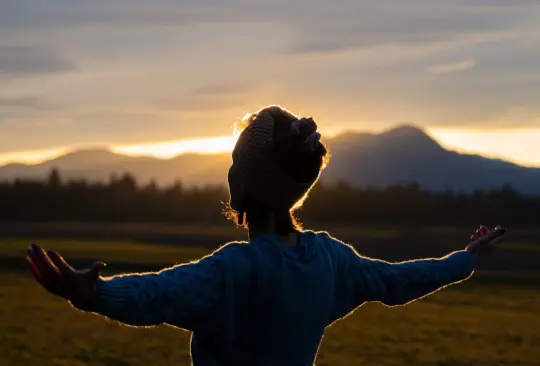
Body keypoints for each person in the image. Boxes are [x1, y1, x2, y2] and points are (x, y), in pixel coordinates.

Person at [26, 105, 507, 366]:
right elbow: (398, 281)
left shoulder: (235, 270)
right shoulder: (330, 260)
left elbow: (158, 294)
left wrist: (95, 294)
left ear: (240, 185)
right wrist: (465, 258)